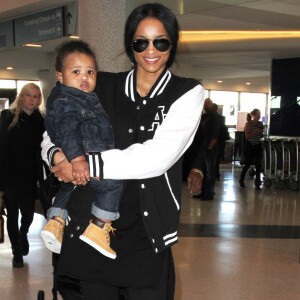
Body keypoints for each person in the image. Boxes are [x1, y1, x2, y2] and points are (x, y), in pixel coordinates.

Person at [41, 3, 204, 299]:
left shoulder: (187, 92)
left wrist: (84, 164)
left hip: (146, 235)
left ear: (173, 43)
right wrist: (56, 155)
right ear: (130, 44)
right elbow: (54, 126)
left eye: (161, 41)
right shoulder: (101, 85)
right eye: (141, 41)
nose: (150, 50)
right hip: (90, 227)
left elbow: (158, 157)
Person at [40, 40, 123, 259]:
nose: (84, 77)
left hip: (80, 158)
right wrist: (76, 160)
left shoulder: (70, 97)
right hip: (87, 156)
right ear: (60, 76)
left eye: (90, 72)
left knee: (70, 187)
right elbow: (66, 131)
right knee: (113, 185)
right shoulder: (69, 100)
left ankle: (56, 222)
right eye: (76, 71)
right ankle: (99, 226)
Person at [0, 83, 45, 268]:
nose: (32, 99)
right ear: (21, 97)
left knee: (27, 214)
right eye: (29, 95)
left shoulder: (41, 120)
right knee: (12, 214)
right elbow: (1, 149)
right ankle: (16, 252)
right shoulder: (7, 117)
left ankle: (23, 233)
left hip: (29, 176)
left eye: (35, 96)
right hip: (9, 175)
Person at [192, 98, 221, 200]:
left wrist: (209, 147)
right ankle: (204, 191)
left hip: (210, 148)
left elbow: (215, 134)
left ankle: (209, 193)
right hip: (203, 147)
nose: (205, 105)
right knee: (203, 170)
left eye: (207, 103)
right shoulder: (205, 116)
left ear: (212, 105)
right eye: (204, 103)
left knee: (210, 171)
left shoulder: (215, 117)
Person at [239, 108, 264, 190]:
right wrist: (255, 131)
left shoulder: (260, 123)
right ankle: (241, 180)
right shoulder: (248, 124)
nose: (259, 116)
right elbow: (247, 137)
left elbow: (261, 136)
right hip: (250, 146)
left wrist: (260, 133)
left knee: (258, 165)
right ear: (253, 115)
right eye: (258, 114)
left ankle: (257, 183)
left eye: (260, 114)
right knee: (247, 164)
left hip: (257, 145)